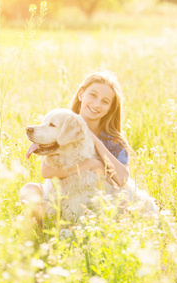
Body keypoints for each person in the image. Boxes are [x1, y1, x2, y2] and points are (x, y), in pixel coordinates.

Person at [19, 70, 133, 223]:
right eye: (93, 95)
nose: (97, 104)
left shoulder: (113, 140)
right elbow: (46, 171)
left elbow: (122, 179)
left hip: (91, 195)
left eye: (105, 101)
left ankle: (66, 228)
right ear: (81, 94)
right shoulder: (63, 121)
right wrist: (91, 164)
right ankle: (42, 231)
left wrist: (97, 142)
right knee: (30, 190)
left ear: (110, 109)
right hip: (61, 190)